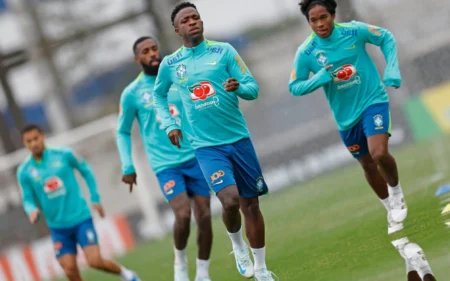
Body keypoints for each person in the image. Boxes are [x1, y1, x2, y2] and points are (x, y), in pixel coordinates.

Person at [152, 2, 276, 280]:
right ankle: (237, 244)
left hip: (239, 140)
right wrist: (170, 124)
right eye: (186, 20)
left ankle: (262, 269)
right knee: (230, 201)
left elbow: (252, 89)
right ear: (177, 29)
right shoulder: (171, 64)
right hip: (206, 147)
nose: (193, 22)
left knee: (251, 205)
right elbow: (158, 95)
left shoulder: (224, 52)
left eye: (196, 17)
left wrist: (239, 87)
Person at [289, 0, 408, 233]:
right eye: (314, 20)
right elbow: (295, 86)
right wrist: (318, 79)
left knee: (379, 153)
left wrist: (391, 67)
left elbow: (386, 37)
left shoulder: (354, 30)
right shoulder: (306, 52)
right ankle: (389, 209)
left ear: (333, 15)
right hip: (345, 118)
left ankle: (397, 194)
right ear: (308, 22)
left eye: (323, 17)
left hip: (373, 100)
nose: (320, 24)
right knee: (367, 164)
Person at [116, 36, 213, 281]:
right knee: (182, 215)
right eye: (145, 51)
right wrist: (127, 164)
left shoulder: (177, 78)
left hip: (195, 156)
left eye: (154, 48)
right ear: (137, 59)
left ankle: (202, 272)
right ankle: (180, 262)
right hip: (166, 165)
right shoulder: (132, 93)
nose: (152, 54)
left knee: (204, 216)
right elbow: (123, 131)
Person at [17, 124, 140, 281]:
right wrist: (31, 210)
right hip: (58, 227)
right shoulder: (24, 171)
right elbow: (27, 198)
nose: (33, 143)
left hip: (80, 218)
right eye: (29, 141)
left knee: (94, 261)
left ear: (43, 137)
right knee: (69, 269)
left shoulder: (64, 154)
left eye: (36, 138)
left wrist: (95, 198)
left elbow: (86, 171)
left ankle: (127, 274)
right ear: (24, 144)